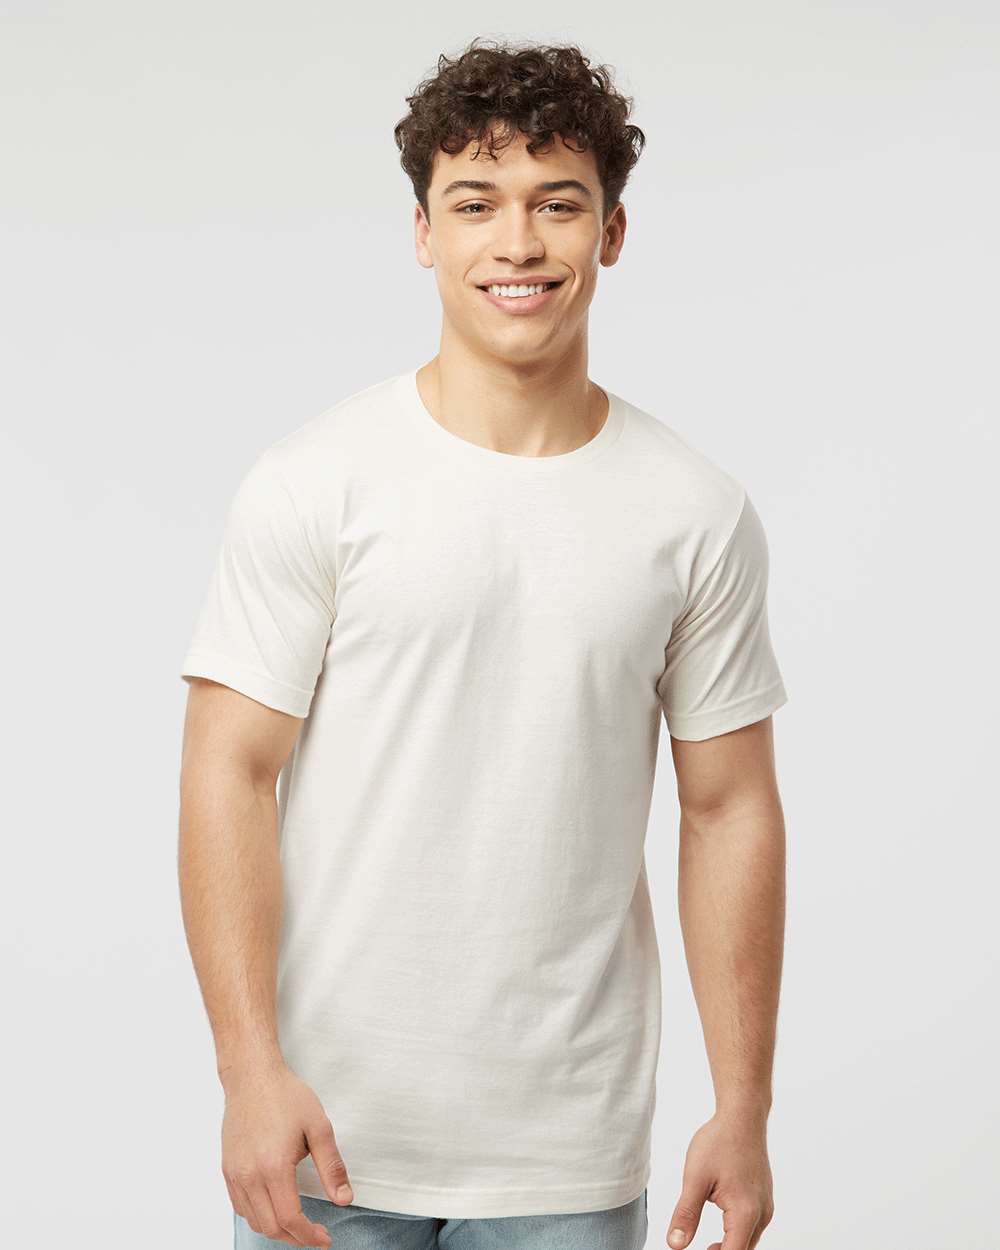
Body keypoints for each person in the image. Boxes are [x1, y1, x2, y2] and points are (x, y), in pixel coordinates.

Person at [178, 36, 788, 1250]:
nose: (517, 242)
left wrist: (743, 1107)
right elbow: (227, 771)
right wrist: (246, 1071)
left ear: (612, 231)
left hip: (567, 1151)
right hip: (325, 1137)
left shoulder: (692, 510)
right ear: (423, 231)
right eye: (475, 204)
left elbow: (727, 809)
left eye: (557, 203)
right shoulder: (316, 482)